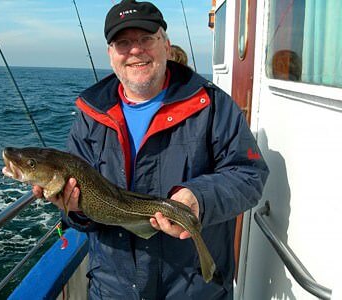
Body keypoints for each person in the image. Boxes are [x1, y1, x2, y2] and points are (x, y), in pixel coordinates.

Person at [33, 0, 269, 299]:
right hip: (113, 289)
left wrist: (199, 198)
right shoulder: (90, 115)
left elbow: (249, 175)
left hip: (193, 289)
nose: (135, 50)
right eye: (123, 43)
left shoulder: (213, 105)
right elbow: (84, 213)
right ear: (111, 54)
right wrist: (75, 209)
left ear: (166, 45)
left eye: (146, 39)